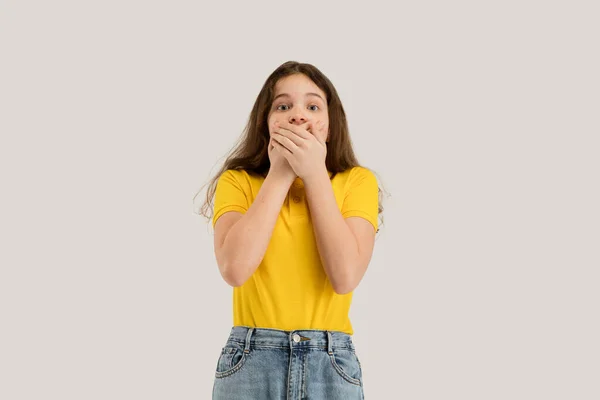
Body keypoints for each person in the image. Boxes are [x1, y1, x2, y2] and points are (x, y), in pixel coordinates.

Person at [195, 61, 386, 399]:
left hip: (330, 362)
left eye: (312, 106)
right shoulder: (238, 181)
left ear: (329, 126)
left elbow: (344, 277)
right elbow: (235, 269)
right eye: (283, 106)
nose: (298, 115)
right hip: (250, 361)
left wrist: (313, 174)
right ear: (266, 124)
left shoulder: (357, 182)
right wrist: (281, 173)